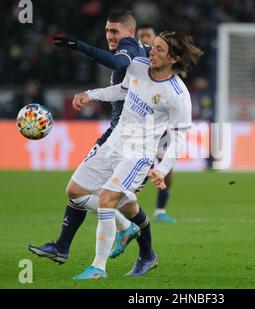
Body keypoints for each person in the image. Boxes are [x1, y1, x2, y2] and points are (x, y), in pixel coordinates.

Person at [72, 30, 203, 280]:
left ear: (174, 58)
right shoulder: (138, 66)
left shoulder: (178, 95)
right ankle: (134, 239)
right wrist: (90, 94)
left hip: (138, 153)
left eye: (159, 49)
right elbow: (120, 91)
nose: (151, 51)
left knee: (107, 200)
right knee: (75, 192)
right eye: (152, 46)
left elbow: (178, 140)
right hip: (114, 142)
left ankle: (98, 268)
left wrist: (161, 169)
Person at [28, 10, 153, 270]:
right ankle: (142, 251)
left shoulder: (128, 47)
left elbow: (116, 63)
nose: (110, 36)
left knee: (86, 192)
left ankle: (125, 240)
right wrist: (91, 94)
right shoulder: (142, 49)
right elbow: (123, 87)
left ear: (130, 32)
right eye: (107, 31)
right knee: (123, 201)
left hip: (126, 138)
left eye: (114, 31)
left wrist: (80, 46)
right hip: (122, 133)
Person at [136, 24, 178, 223]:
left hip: (161, 127)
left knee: (166, 168)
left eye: (148, 36)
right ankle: (126, 208)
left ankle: (160, 210)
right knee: (139, 169)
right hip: (138, 127)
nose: (145, 38)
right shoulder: (136, 64)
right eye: (141, 35)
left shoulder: (161, 65)